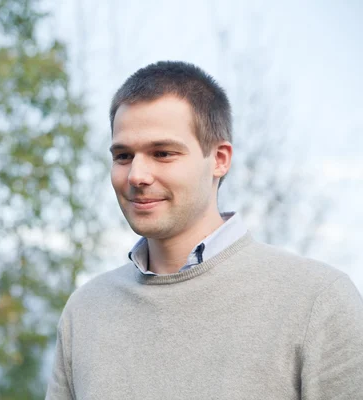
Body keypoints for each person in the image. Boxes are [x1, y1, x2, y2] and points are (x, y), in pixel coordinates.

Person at [46, 61, 363, 399]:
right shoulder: (85, 311)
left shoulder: (318, 301)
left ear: (220, 158)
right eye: (123, 156)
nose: (136, 175)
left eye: (162, 153)